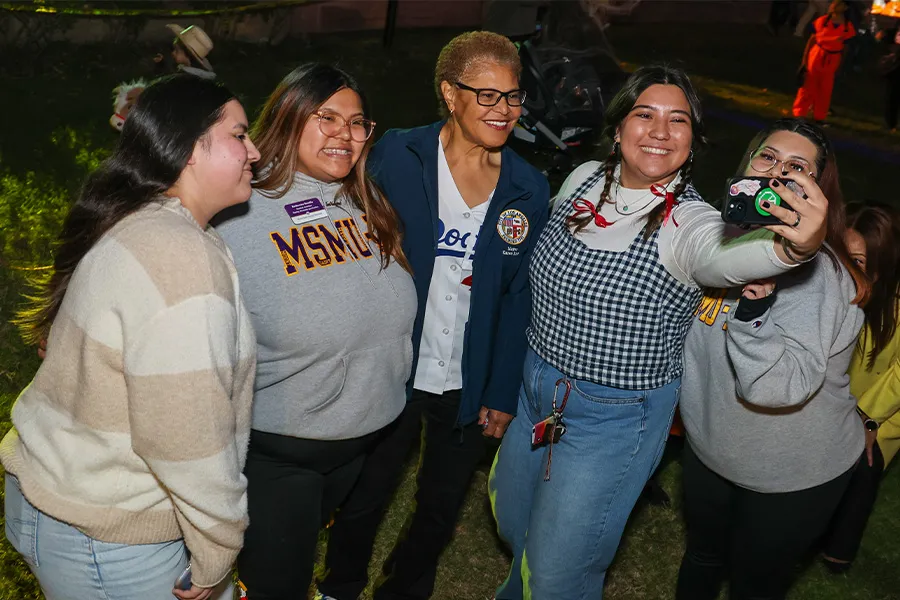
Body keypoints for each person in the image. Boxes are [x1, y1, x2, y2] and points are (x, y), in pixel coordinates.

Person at [488, 66, 830, 600]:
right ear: (619, 127)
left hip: (614, 415)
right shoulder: (581, 180)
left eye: (678, 120)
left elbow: (721, 260)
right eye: (644, 114)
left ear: (693, 141)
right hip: (537, 391)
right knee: (515, 526)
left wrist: (792, 248)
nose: (659, 130)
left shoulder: (689, 222)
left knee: (560, 572)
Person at [2, 74, 260, 600]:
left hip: (55, 498)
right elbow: (186, 433)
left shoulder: (138, 217)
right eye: (239, 135)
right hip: (112, 542)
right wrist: (217, 549)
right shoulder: (181, 257)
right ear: (190, 148)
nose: (254, 151)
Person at [318, 31, 550, 600]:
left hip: (465, 376)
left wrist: (499, 389)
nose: (504, 111)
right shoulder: (397, 154)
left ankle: (403, 590)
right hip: (392, 363)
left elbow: (518, 296)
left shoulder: (527, 186)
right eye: (487, 96)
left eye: (513, 97)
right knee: (367, 492)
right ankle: (340, 586)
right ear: (450, 93)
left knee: (441, 504)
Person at [212, 63, 417, 600]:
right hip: (282, 449)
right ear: (289, 115)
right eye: (326, 117)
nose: (344, 133)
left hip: (361, 442)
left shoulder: (365, 200)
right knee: (280, 585)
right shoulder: (238, 210)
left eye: (357, 123)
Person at [676, 118, 869, 600]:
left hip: (793, 472)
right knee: (701, 558)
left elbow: (775, 388)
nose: (778, 171)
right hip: (711, 450)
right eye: (769, 157)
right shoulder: (716, 243)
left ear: (815, 192)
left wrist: (755, 309)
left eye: (797, 167)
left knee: (753, 588)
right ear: (748, 164)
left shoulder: (819, 276)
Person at [822, 202, 900, 573]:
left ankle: (839, 551)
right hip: (833, 395)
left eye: (858, 260)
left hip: (885, 408)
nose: (843, 267)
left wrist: (866, 417)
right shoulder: (826, 283)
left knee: (865, 464)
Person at [792, 0, 856, 125]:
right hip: (817, 55)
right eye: (833, 3)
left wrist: (841, 65)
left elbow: (846, 47)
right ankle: (799, 113)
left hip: (832, 58)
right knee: (808, 85)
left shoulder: (847, 27)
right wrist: (804, 60)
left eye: (838, 3)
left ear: (845, 7)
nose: (833, 5)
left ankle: (819, 116)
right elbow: (811, 40)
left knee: (825, 89)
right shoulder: (822, 21)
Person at [878, 27, 900, 132]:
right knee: (892, 95)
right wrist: (885, 34)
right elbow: (893, 35)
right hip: (895, 65)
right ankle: (891, 123)